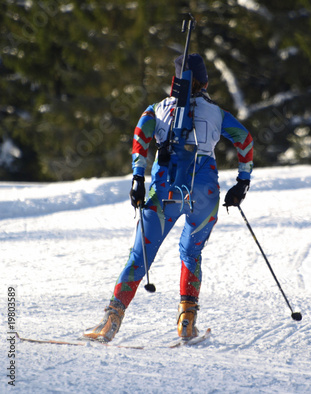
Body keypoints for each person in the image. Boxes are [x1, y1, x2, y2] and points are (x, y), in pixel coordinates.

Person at [83, 53, 253, 342]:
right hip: (205, 191)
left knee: (140, 257)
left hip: (164, 190)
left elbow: (140, 139)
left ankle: (111, 320)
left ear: (175, 81)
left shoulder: (157, 109)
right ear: (206, 82)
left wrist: (138, 177)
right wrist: (242, 182)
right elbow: (244, 140)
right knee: (191, 252)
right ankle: (186, 320)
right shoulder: (217, 113)